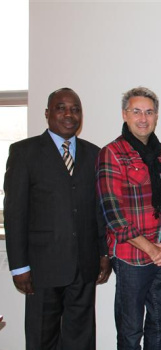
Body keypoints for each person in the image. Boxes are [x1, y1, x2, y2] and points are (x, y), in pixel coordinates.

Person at [4, 87, 111, 350]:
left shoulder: (93, 154)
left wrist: (104, 253)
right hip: (42, 268)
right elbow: (15, 213)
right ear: (47, 113)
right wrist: (19, 267)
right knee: (42, 336)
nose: (68, 114)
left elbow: (98, 210)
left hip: (84, 266)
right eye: (61, 107)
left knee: (81, 337)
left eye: (75, 109)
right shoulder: (24, 153)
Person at [96, 87, 161, 350]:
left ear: (156, 116)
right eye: (137, 111)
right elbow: (113, 215)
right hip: (131, 258)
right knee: (130, 331)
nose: (143, 118)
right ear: (125, 115)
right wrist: (151, 248)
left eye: (149, 112)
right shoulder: (112, 153)